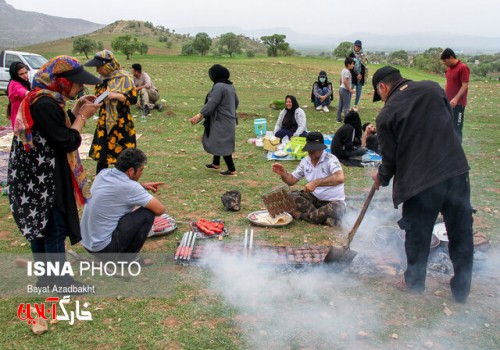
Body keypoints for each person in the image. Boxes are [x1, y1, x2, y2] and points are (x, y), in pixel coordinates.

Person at [371, 66, 473, 303]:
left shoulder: (386, 115)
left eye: (381, 95)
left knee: (418, 233)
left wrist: (381, 178)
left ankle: (414, 281)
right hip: (456, 171)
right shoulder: (433, 88)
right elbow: (444, 125)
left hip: (421, 182)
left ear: (383, 88)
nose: (382, 100)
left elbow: (390, 159)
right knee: (460, 231)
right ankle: (462, 288)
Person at [7, 55, 102, 288]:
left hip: (35, 173)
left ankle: (45, 278)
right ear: (62, 81)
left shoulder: (43, 98)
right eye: (77, 84)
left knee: (41, 228)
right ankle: (59, 281)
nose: (79, 88)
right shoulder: (45, 103)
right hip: (44, 177)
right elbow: (66, 140)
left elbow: (52, 130)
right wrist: (82, 117)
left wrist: (75, 110)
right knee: (54, 228)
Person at [80, 148, 165, 264]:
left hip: (88, 243)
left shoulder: (103, 173)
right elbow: (160, 209)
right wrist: (138, 189)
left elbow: (118, 190)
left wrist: (141, 186)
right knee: (147, 214)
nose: (141, 173)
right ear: (130, 171)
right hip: (104, 250)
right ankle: (127, 260)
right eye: (141, 170)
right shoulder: (131, 188)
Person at [272, 132, 346, 226]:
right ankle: (322, 218)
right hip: (314, 199)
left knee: (336, 208)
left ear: (321, 148)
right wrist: (283, 173)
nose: (311, 152)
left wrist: (316, 183)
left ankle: (301, 215)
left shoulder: (330, 159)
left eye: (314, 149)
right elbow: (291, 180)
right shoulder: (305, 161)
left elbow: (340, 178)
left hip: (333, 202)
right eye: (309, 149)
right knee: (289, 196)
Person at [85, 50, 138, 174]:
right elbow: (99, 96)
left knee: (124, 156)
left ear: (108, 65)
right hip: (105, 124)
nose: (97, 70)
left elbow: (133, 99)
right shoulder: (101, 80)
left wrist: (118, 96)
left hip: (121, 124)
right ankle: (101, 183)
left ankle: (123, 182)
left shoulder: (125, 78)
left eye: (99, 67)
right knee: (103, 156)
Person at [190, 64, 239, 176]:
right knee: (217, 139)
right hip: (228, 120)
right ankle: (215, 163)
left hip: (221, 120)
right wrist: (230, 112)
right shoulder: (230, 86)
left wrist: (200, 115)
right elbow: (236, 102)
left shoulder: (219, 86)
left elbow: (212, 102)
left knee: (222, 142)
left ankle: (232, 170)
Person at [441, 48, 470, 143]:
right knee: (448, 126)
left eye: (445, 60)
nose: (444, 63)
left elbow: (465, 84)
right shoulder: (448, 69)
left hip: (458, 104)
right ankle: (449, 148)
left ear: (451, 57)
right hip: (448, 103)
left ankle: (458, 153)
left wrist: (456, 99)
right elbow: (449, 84)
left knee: (457, 128)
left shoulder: (462, 68)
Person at [6, 61, 31, 130]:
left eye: (26, 72)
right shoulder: (14, 84)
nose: (25, 76)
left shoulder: (24, 82)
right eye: (21, 74)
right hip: (19, 117)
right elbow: (22, 92)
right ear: (15, 75)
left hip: (24, 114)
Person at [349, 40, 367, 111]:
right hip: (352, 75)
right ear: (354, 45)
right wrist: (355, 74)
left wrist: (360, 74)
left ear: (360, 47)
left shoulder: (363, 56)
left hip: (361, 76)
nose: (357, 47)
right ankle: (348, 104)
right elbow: (349, 66)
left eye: (359, 46)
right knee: (350, 89)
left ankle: (355, 105)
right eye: (356, 46)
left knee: (358, 90)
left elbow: (364, 66)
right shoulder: (351, 55)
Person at [337, 57, 355, 122]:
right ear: (349, 64)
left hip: (341, 88)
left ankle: (338, 118)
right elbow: (345, 81)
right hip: (345, 90)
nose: (353, 65)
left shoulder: (343, 70)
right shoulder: (348, 72)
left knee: (340, 104)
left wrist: (340, 86)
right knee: (346, 106)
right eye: (352, 64)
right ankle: (347, 120)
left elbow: (341, 80)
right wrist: (350, 89)